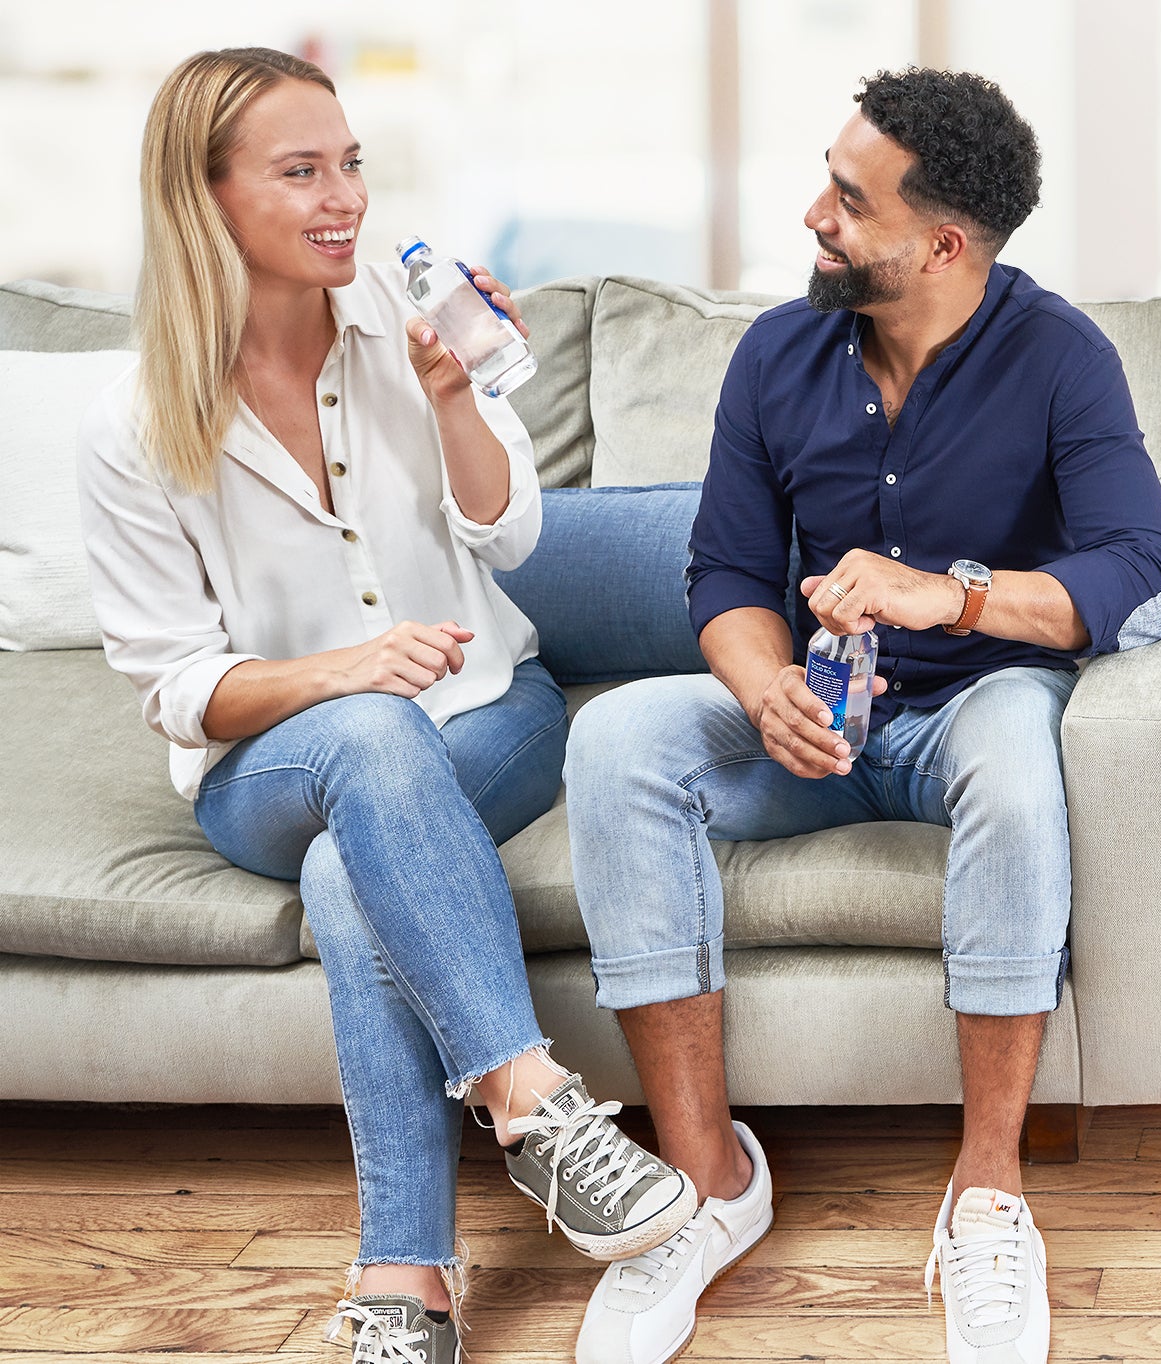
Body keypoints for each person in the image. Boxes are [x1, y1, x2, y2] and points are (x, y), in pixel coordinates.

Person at [76, 47, 696, 1364]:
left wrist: (456, 399)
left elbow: (514, 534)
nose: (342, 195)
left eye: (350, 161)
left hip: (492, 710)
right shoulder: (131, 425)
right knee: (366, 736)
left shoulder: (412, 331)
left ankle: (406, 1278)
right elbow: (180, 684)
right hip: (267, 768)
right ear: (207, 198)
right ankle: (532, 1098)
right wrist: (342, 675)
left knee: (356, 879)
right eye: (300, 172)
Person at [558, 67, 1161, 1364]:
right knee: (616, 737)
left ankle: (989, 1193)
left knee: (1019, 764)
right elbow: (726, 571)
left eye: (848, 200)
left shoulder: (1062, 359)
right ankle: (705, 1189)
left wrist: (949, 598)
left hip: (976, 705)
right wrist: (762, 685)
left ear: (943, 244)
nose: (812, 218)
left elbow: (1133, 570)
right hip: (822, 729)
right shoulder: (778, 355)